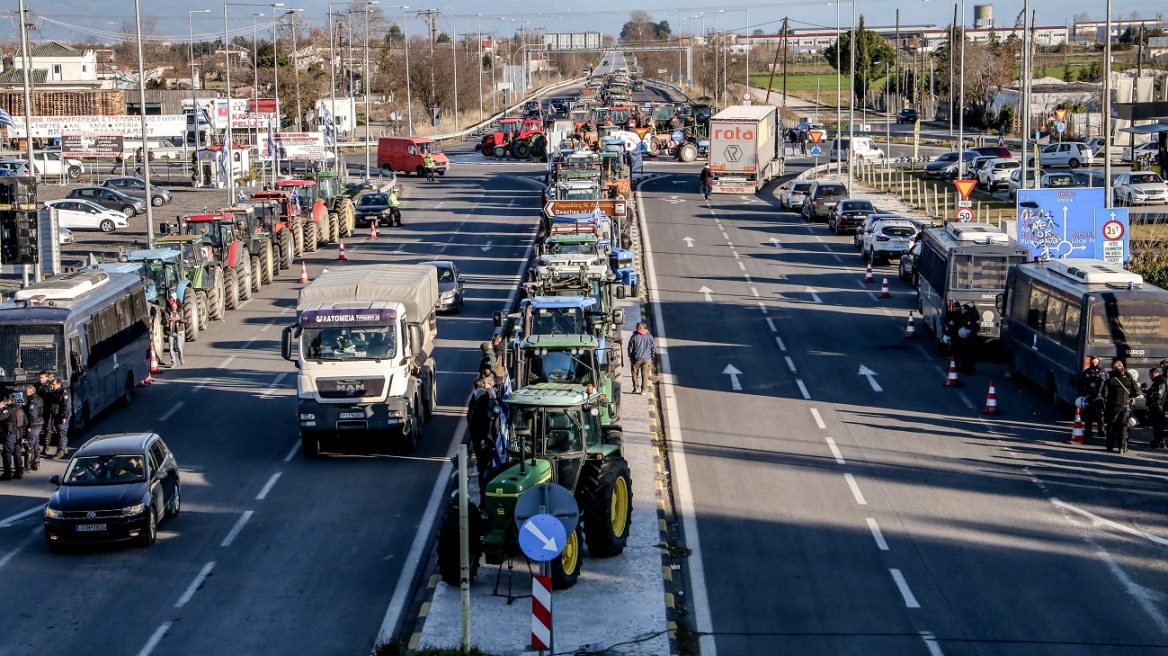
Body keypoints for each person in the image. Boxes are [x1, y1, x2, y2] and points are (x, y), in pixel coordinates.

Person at [1103, 358, 1139, 453]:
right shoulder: (1130, 381)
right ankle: (1122, 445)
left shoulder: (1110, 381)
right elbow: (1137, 392)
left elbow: (1104, 393)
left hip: (1113, 406)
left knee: (1111, 425)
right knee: (1124, 426)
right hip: (1126, 406)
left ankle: (1110, 445)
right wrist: (1130, 396)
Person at [1077, 356, 1108, 444]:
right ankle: (1088, 432)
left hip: (1100, 398)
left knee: (1100, 416)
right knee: (1088, 416)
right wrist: (1085, 393)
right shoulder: (1087, 372)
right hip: (1090, 398)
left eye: (1096, 362)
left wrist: (1105, 396)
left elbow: (1107, 384)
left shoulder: (1103, 372)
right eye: (1093, 363)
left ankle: (1101, 431)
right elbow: (1080, 384)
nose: (1094, 364)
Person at [0, 394, 26, 480]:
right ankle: (19, 472)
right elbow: (25, 422)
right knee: (17, 453)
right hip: (18, 434)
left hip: (9, 434)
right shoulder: (20, 409)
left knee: (7, 454)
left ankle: (7, 474)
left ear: (8, 400)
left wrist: (0, 408)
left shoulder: (8, 410)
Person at [627, 321, 656, 394]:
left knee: (634, 373)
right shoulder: (650, 336)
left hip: (636, 359)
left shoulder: (634, 336)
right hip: (647, 359)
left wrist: (630, 356)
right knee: (645, 374)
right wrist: (651, 356)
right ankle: (643, 390)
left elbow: (630, 348)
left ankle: (635, 388)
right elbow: (653, 348)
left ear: (637, 328)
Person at [50, 378, 72, 459]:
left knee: (62, 433)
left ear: (59, 384)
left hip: (62, 416)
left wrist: (65, 416)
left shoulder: (64, 392)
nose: (52, 386)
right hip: (57, 415)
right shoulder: (56, 392)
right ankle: (64, 449)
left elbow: (67, 406)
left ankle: (61, 451)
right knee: (61, 433)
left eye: (54, 385)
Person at [23, 384, 43, 471]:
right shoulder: (39, 399)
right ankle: (37, 462)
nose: (25, 391)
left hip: (34, 425)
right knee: (36, 443)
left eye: (26, 390)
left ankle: (28, 465)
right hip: (39, 424)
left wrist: (29, 426)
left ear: (31, 391)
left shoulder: (33, 401)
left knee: (29, 444)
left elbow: (32, 415)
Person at [1147, 367, 1167, 449]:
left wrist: (1155, 402)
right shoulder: (1157, 382)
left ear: (1153, 374)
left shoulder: (1160, 382)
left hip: (1158, 407)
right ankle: (1159, 440)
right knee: (1157, 426)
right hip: (1156, 407)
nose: (1150, 377)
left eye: (1150, 375)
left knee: (1158, 426)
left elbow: (1159, 395)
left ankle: (1159, 441)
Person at [164, 294, 186, 367]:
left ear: (176, 307)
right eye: (172, 308)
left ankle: (181, 358)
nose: (173, 309)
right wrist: (168, 320)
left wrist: (179, 319)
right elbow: (162, 321)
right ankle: (174, 362)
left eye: (174, 307)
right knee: (171, 348)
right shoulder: (167, 313)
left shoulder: (180, 312)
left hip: (178, 332)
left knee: (179, 347)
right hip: (170, 332)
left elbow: (185, 320)